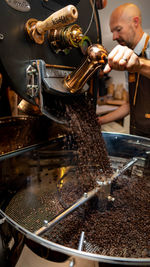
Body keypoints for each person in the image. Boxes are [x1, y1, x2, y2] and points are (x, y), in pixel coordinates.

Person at [98, 3, 150, 138]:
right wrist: (99, 121)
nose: (114, 36)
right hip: (138, 135)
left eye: (118, 29)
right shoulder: (128, 56)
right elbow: (129, 105)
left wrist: (139, 65)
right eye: (112, 32)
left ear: (135, 22)